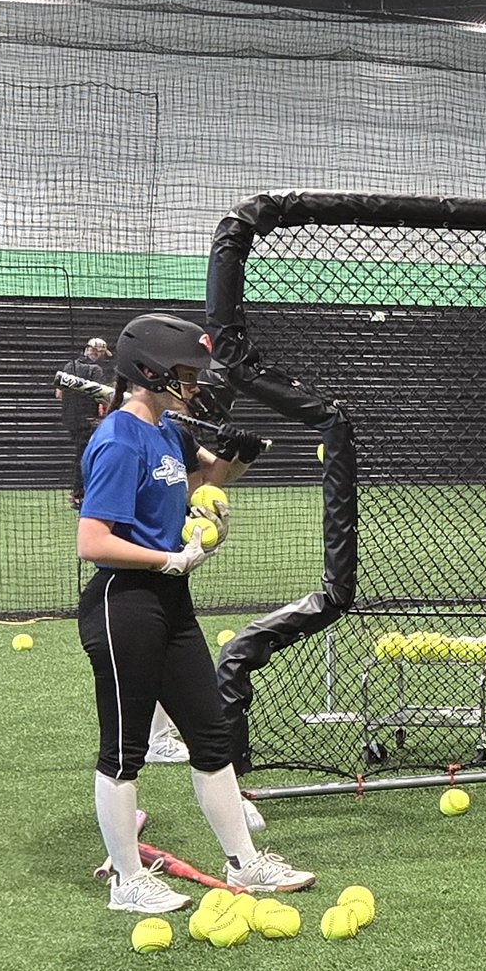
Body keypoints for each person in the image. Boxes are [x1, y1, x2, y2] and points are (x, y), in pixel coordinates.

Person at [77, 312, 309, 913]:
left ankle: (247, 866)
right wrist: (165, 560)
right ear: (149, 369)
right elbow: (93, 540)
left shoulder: (167, 432)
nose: (192, 380)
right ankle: (128, 882)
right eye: (182, 370)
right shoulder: (118, 439)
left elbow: (210, 474)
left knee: (210, 735)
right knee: (124, 749)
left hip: (170, 603)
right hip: (123, 602)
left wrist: (241, 456)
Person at [58, 336, 113, 507]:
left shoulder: (69, 366)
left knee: (80, 453)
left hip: (70, 419)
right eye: (102, 354)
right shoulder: (95, 370)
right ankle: (79, 494)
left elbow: (59, 395)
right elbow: (101, 396)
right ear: (97, 352)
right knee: (85, 456)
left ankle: (78, 492)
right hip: (88, 420)